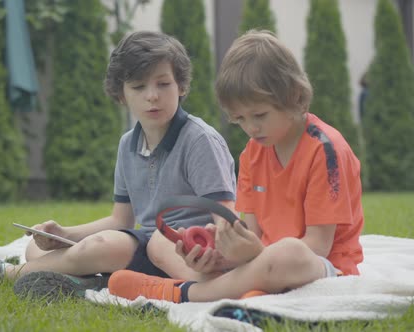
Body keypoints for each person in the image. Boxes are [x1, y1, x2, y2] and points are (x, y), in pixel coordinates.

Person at [0, 31, 236, 301]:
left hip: (182, 251)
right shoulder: (128, 143)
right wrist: (64, 233)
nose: (152, 96)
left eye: (163, 84)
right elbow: (121, 218)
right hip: (144, 244)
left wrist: (214, 257)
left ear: (181, 86)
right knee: (40, 250)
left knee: (104, 246)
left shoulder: (199, 140)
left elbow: (226, 219)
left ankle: (0, 273)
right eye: (139, 87)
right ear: (121, 95)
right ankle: (89, 283)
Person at [107, 30, 364, 303]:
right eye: (240, 119)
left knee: (289, 253)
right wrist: (217, 252)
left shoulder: (325, 150)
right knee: (160, 242)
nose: (251, 128)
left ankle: (184, 292)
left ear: (295, 96)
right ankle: (248, 290)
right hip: (263, 262)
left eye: (260, 115)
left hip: (321, 267)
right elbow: (250, 233)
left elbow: (318, 247)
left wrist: (255, 253)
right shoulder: (253, 152)